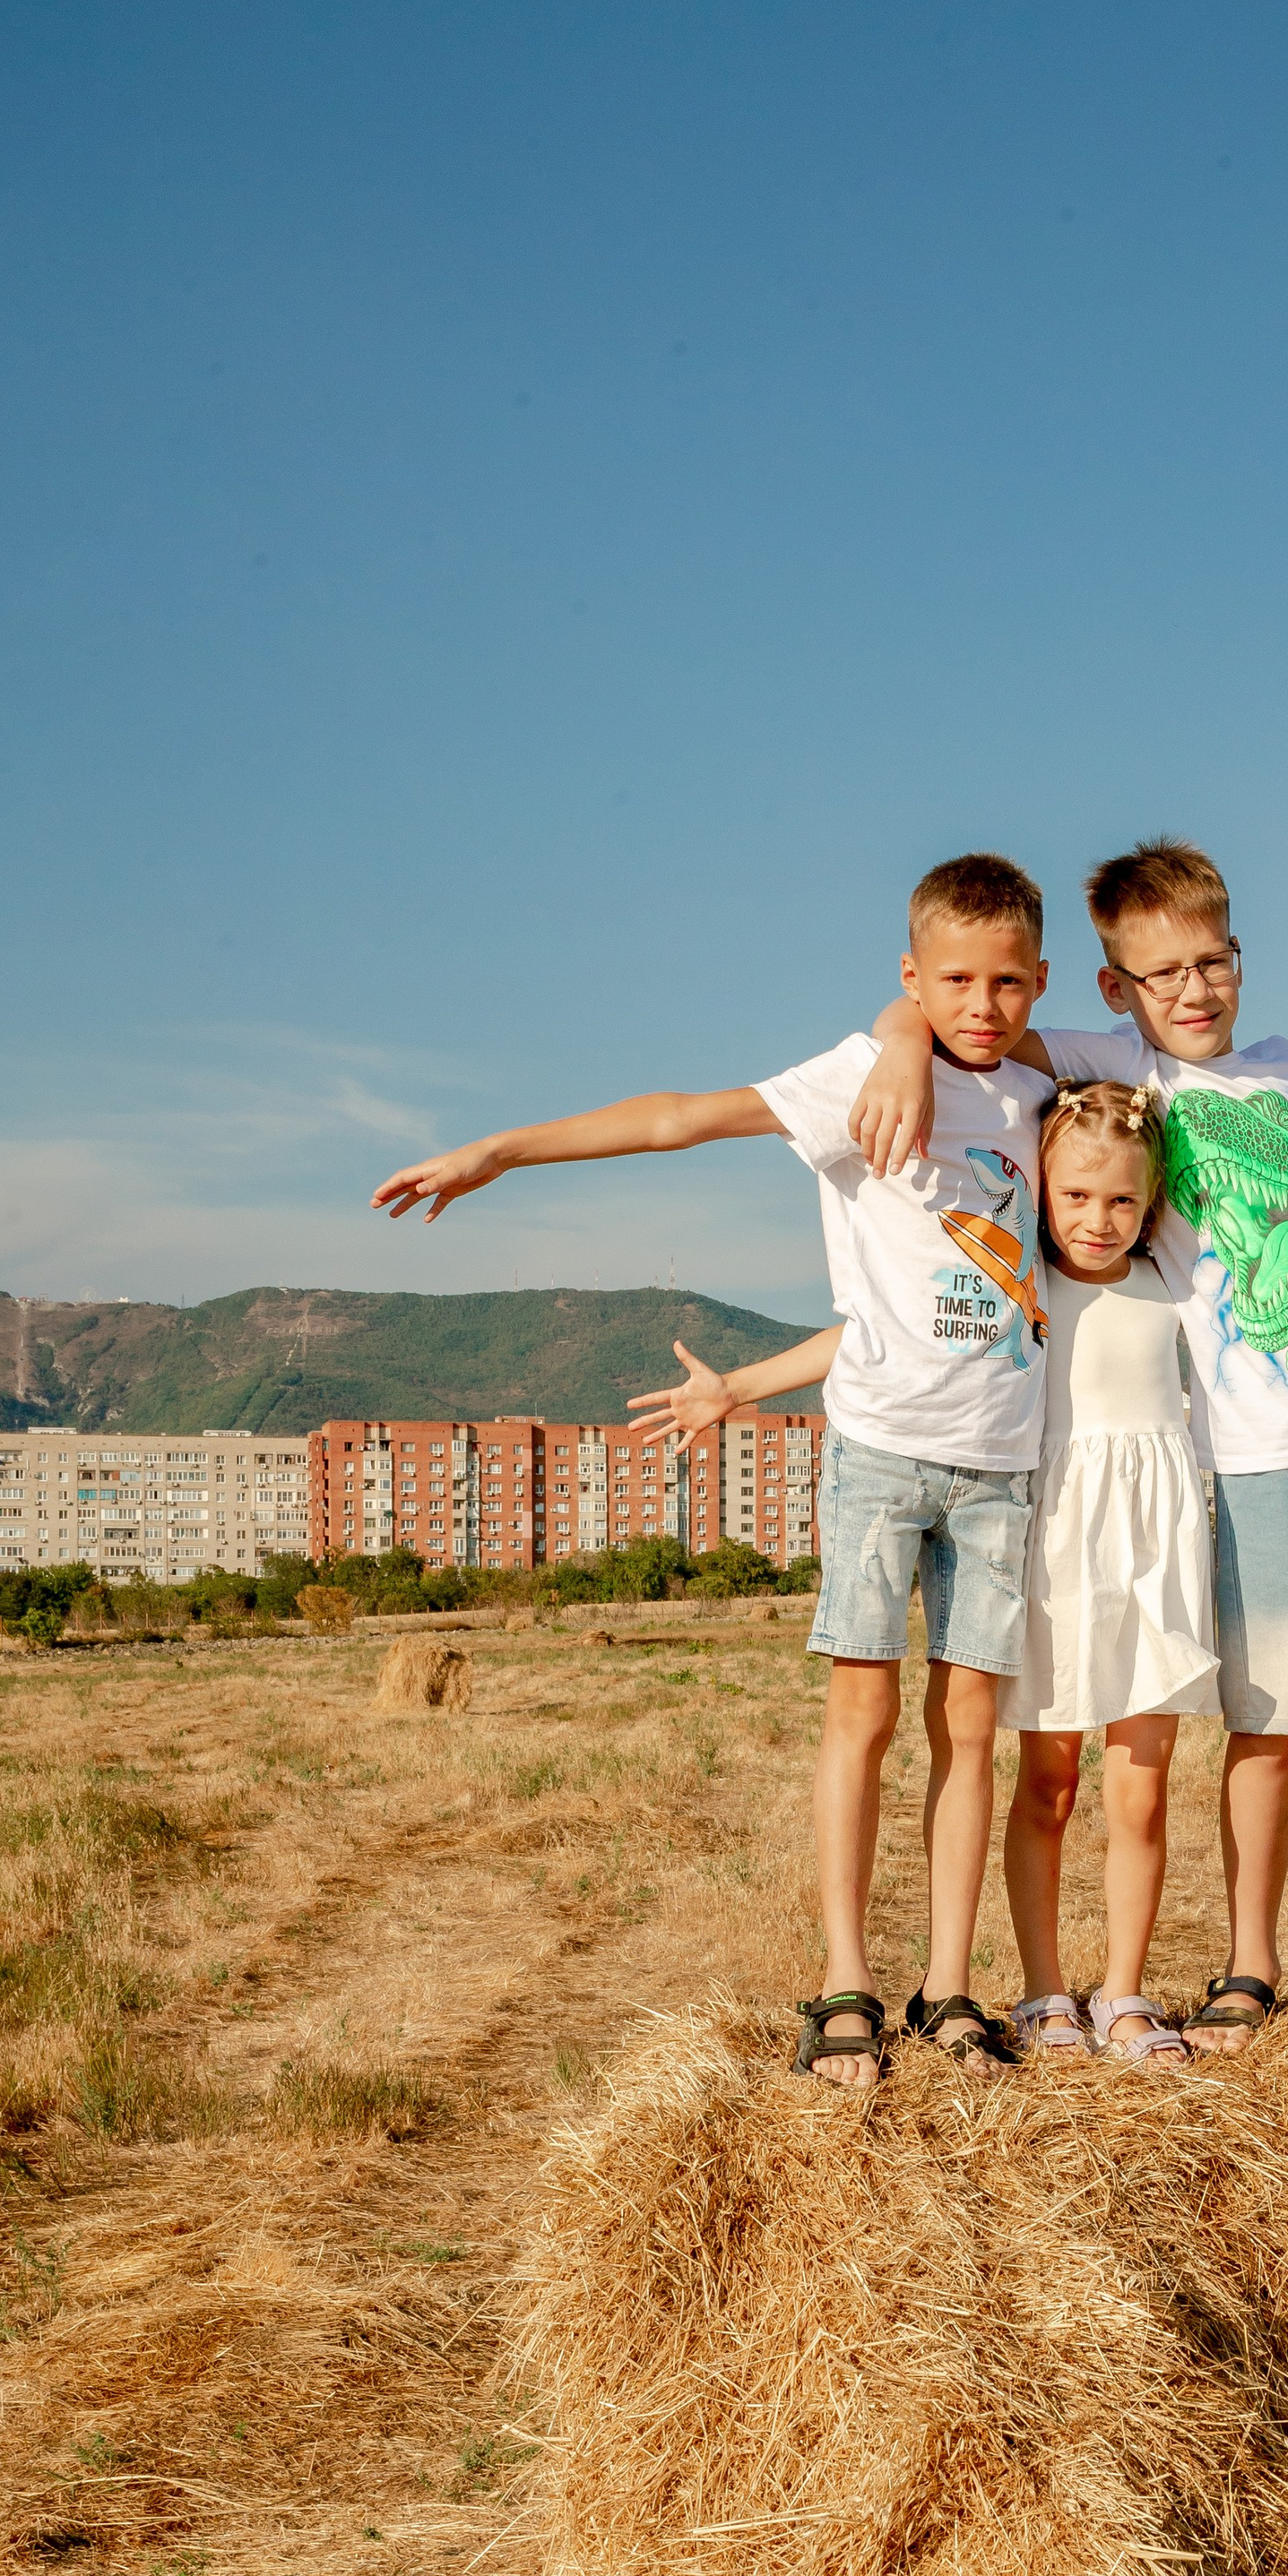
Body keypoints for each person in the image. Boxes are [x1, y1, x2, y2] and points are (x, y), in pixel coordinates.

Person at [852, 836, 1288, 2120]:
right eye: (1165, 971)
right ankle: (1249, 1968)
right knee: (1272, 1732)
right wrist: (904, 1043)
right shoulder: (1113, 1066)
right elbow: (959, 1001)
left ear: (1242, 960)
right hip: (1265, 1448)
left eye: (1215, 961)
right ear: (1118, 991)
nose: (1197, 989)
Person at [369, 850, 1056, 2090]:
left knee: (973, 1735)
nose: (982, 1003)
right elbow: (681, 1115)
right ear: (910, 975)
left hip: (1004, 1464)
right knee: (864, 1717)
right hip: (881, 1459)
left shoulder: (1038, 1089)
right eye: (952, 980)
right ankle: (846, 1979)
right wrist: (505, 1151)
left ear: (1040, 983)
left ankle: (951, 1986)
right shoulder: (860, 1073)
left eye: (1008, 981)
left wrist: (920, 1033)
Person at [998, 1079, 1217, 2071]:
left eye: (1121, 1200)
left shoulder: (1174, 1286)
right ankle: (1043, 1993)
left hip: (1155, 1547)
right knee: (1047, 1780)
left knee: (1143, 1787)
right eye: (1077, 1196)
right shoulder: (1023, 1286)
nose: (1098, 1219)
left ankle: (1124, 1997)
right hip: (1056, 1543)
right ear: (1042, 1187)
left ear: (1151, 1201)